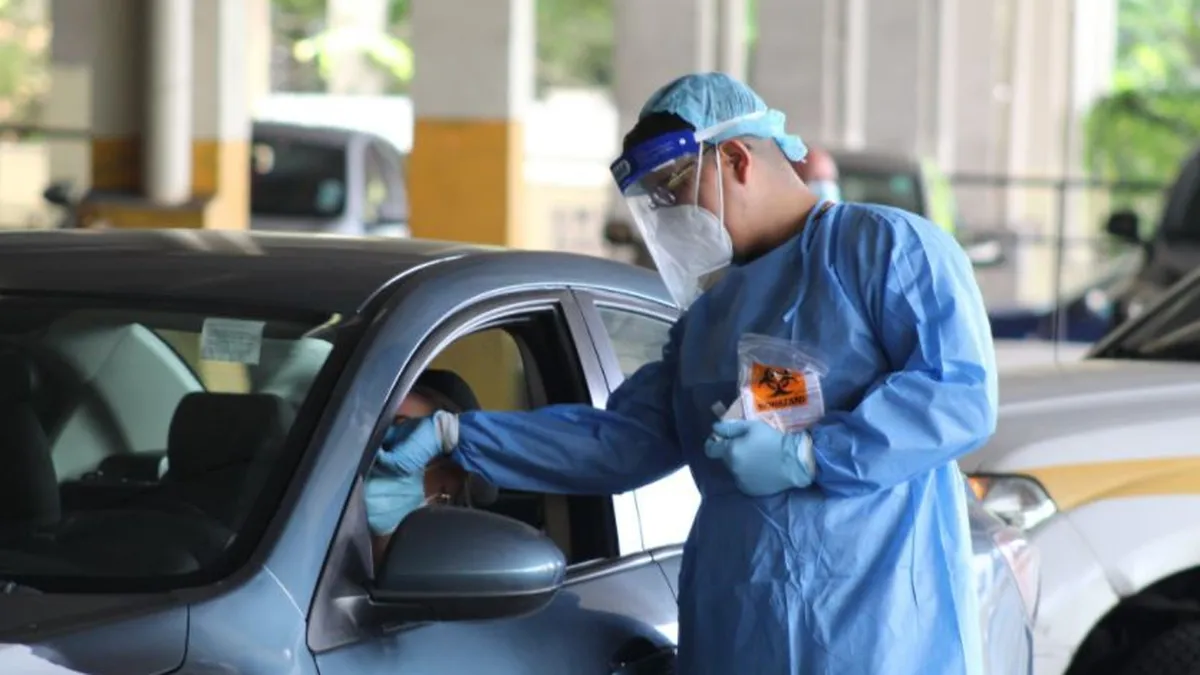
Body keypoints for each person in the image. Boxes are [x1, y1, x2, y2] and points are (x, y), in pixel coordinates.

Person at [368, 72, 997, 674]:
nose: (669, 214)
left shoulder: (883, 248)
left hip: (877, 629)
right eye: (658, 200)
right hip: (740, 626)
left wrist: (809, 455)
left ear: (737, 160)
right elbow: (618, 443)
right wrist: (457, 435)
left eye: (673, 188)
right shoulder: (708, 319)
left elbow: (958, 394)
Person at [365, 368, 486, 569]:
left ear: (445, 485)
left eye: (403, 433)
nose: (377, 454)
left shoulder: (444, 568)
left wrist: (385, 540)